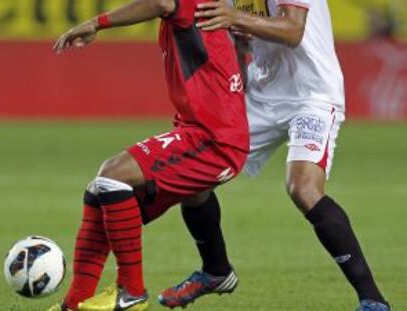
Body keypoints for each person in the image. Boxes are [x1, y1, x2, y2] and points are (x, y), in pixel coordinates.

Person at [159, 0, 391, 310]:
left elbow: (293, 29)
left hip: (312, 94)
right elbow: (241, 43)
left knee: (303, 188)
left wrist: (235, 17)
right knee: (195, 177)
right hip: (262, 92)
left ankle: (372, 299)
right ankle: (216, 271)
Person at [47, 0, 250, 309]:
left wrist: (95, 23)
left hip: (213, 140)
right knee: (100, 194)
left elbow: (159, 2)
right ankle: (75, 302)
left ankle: (131, 291)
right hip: (199, 131)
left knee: (111, 177)